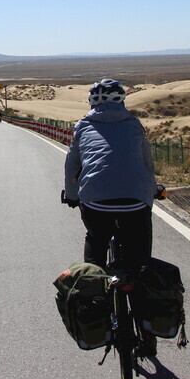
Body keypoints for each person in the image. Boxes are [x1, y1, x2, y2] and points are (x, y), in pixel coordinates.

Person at [62, 78, 159, 270]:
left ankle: (94, 279)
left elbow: (72, 165)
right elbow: (147, 165)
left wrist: (72, 195)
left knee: (96, 238)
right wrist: (153, 190)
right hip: (135, 201)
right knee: (139, 249)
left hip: (95, 201)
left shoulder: (83, 126)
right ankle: (139, 273)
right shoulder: (134, 124)